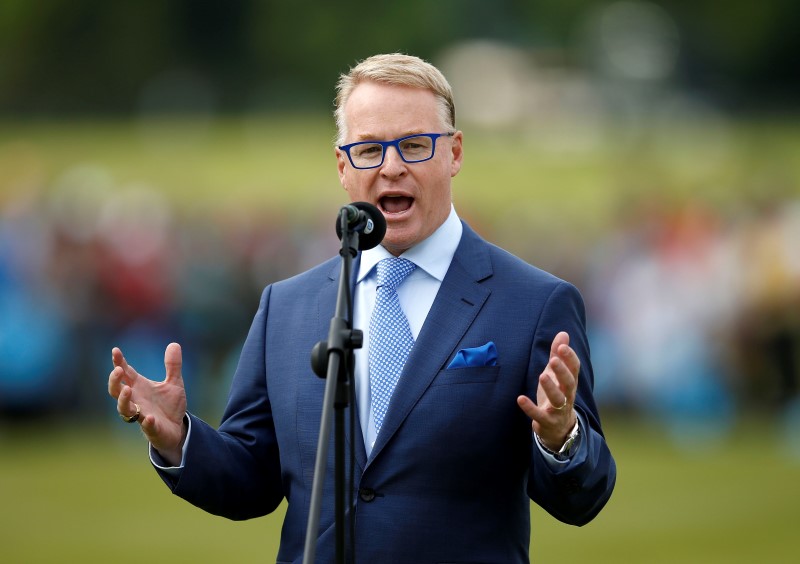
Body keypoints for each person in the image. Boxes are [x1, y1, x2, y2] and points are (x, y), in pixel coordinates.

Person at [108, 53, 616, 563]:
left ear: (455, 152)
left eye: (415, 145)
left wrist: (562, 438)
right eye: (370, 149)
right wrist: (181, 440)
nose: (392, 167)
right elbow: (252, 479)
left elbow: (584, 497)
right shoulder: (285, 307)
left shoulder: (534, 302)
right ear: (342, 166)